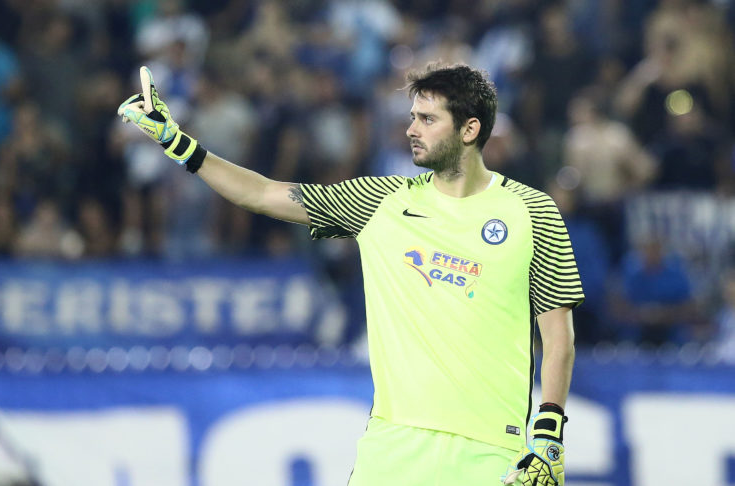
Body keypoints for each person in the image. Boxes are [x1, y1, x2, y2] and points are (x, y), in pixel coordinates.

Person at [118, 63, 584, 486]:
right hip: (392, 449)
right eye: (412, 117)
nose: (411, 129)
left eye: (427, 119)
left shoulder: (533, 212)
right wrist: (178, 143)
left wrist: (548, 434)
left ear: (470, 129)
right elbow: (262, 194)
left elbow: (557, 335)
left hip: (492, 455)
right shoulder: (379, 201)